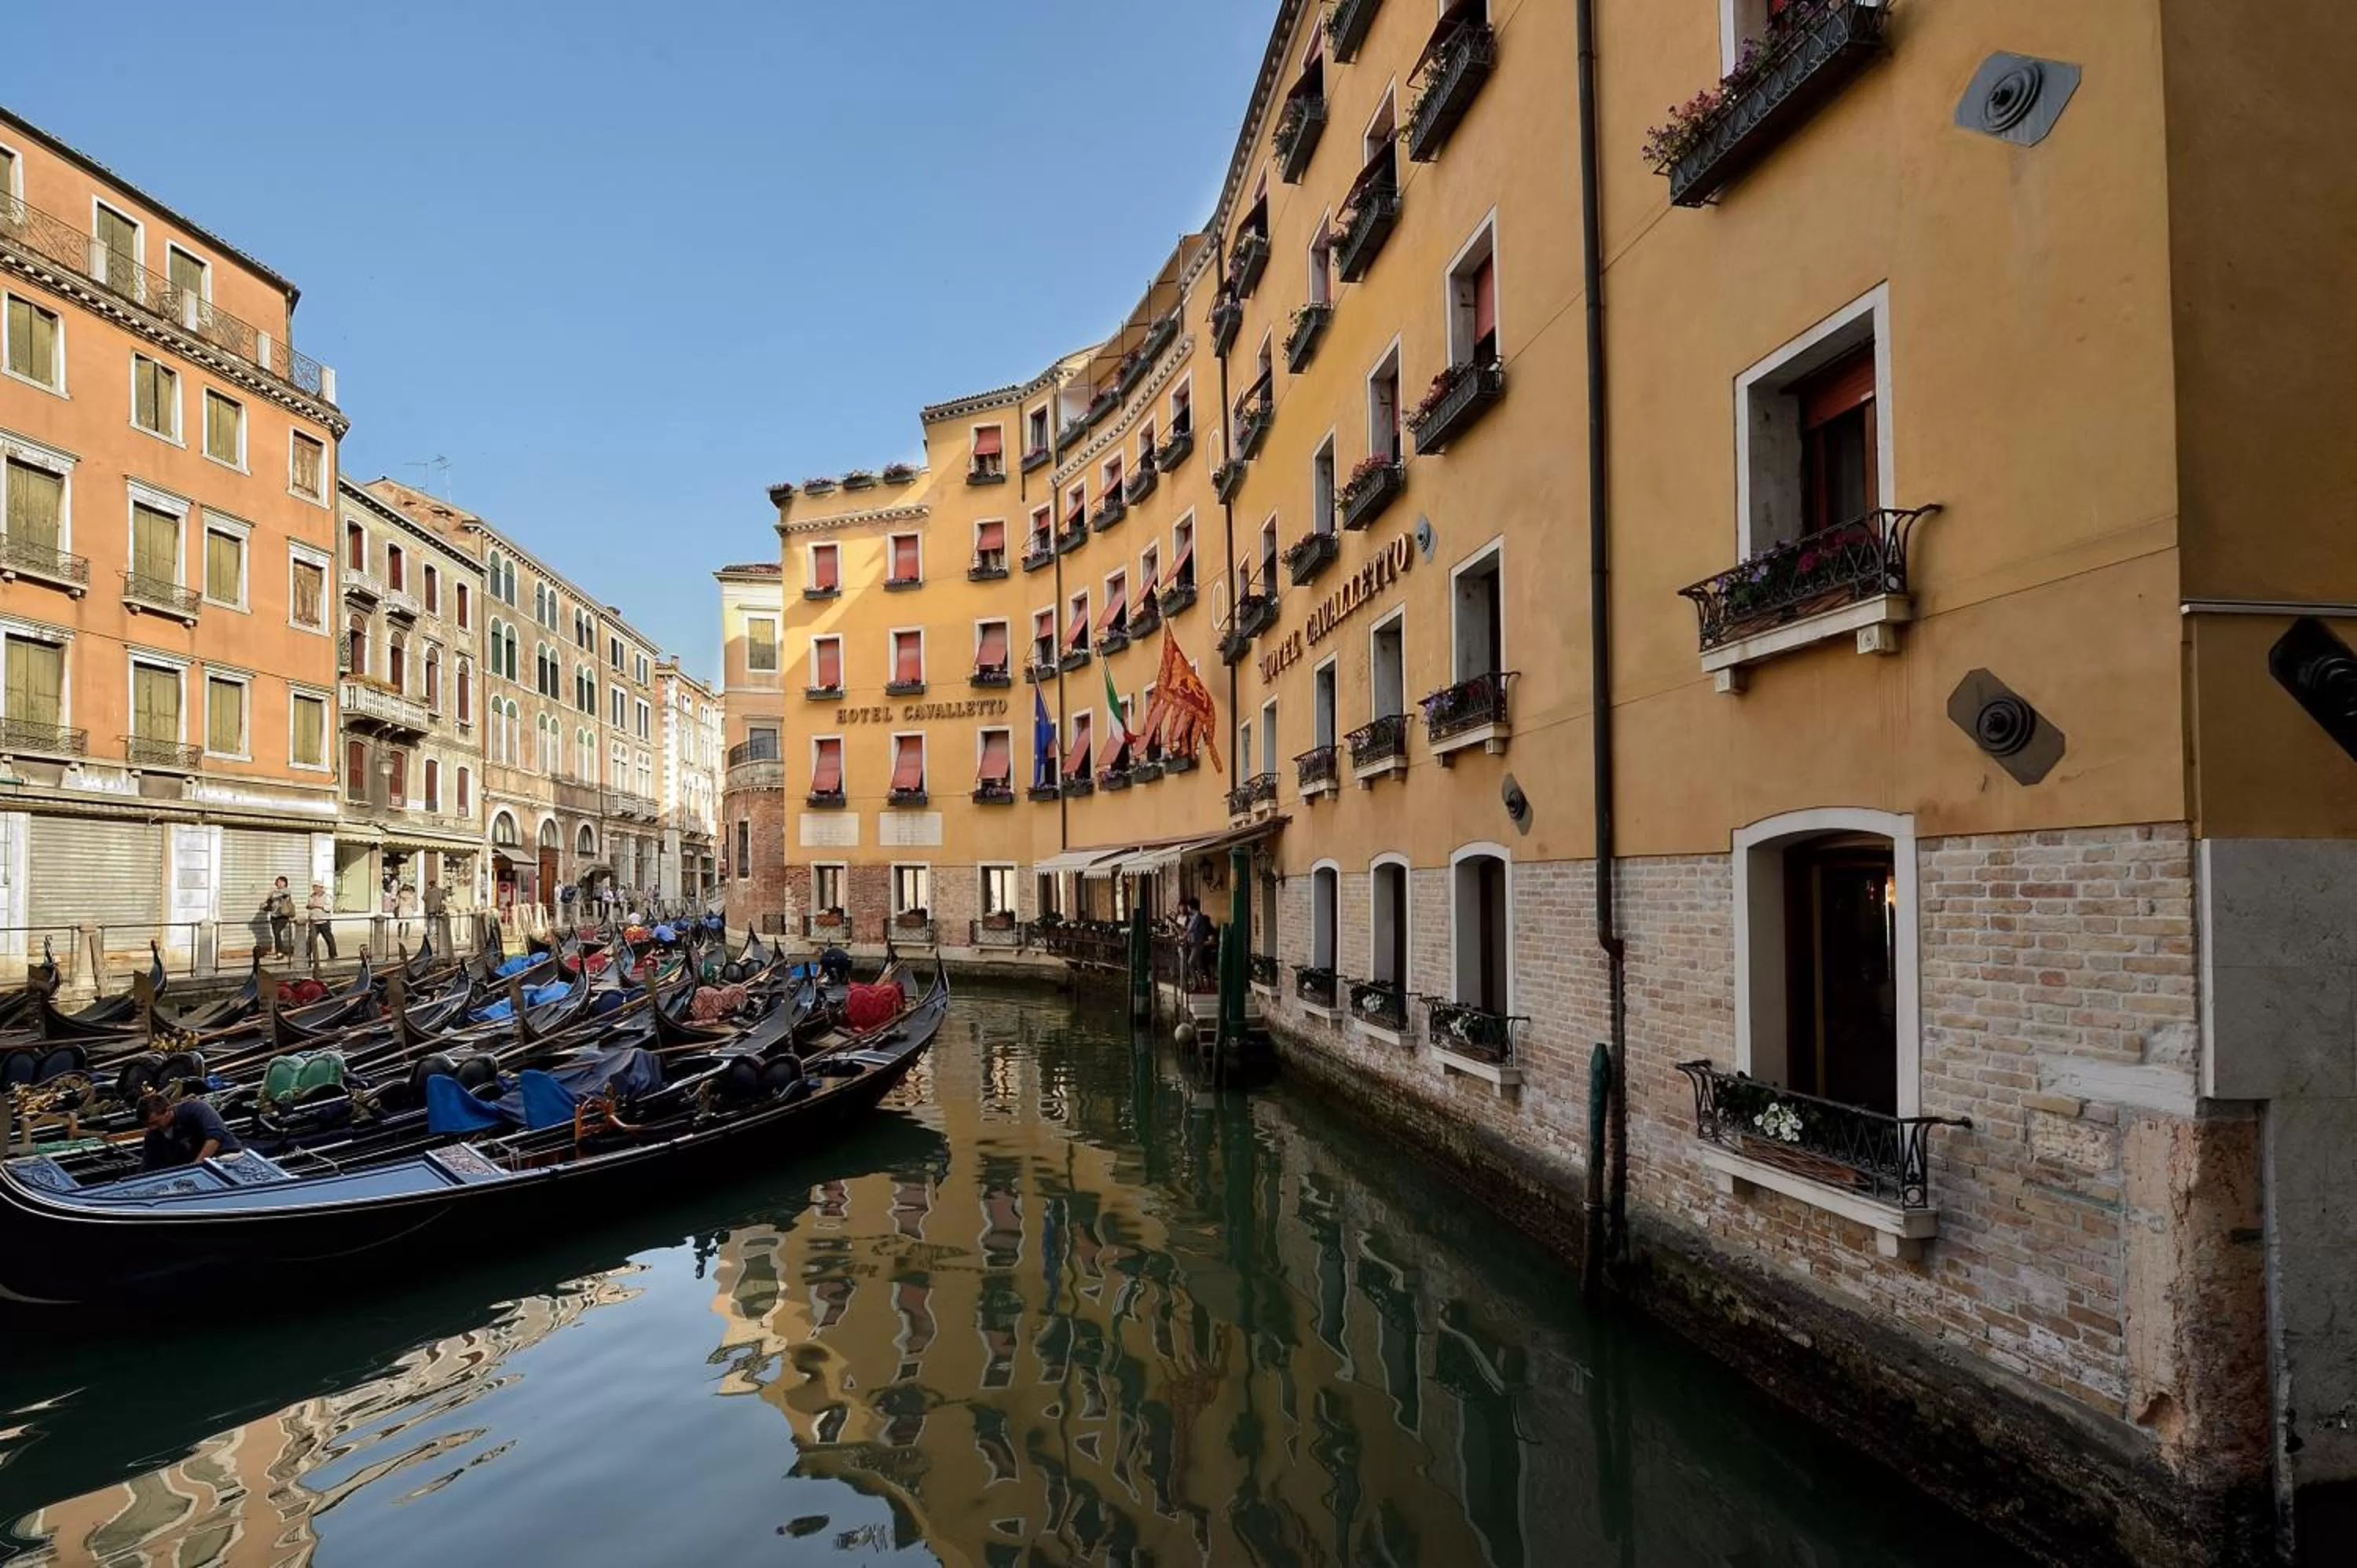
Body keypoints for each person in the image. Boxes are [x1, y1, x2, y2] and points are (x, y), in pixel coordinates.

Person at [137, 1092, 242, 1171]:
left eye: (155, 1122)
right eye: (148, 1125)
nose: (152, 1128)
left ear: (168, 1111)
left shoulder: (196, 1108)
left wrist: (196, 1166)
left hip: (227, 1157)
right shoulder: (152, 1136)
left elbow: (215, 1137)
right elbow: (148, 1166)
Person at [1181, 898, 1216, 989]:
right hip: (1193, 943)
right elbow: (1189, 929)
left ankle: (1196, 983)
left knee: (1190, 963)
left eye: (1188, 907)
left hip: (1197, 943)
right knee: (1198, 965)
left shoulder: (1197, 916)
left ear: (1190, 907)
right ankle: (1199, 985)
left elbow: (1190, 929)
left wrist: (1184, 936)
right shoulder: (1193, 917)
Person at [262, 877, 296, 958]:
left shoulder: (286, 890)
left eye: (282, 882)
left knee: (277, 932)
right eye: (278, 882)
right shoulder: (273, 891)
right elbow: (268, 899)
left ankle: (280, 952)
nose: (280, 883)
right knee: (276, 934)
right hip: (274, 915)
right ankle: (279, 952)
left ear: (285, 883)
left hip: (283, 915)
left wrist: (273, 893)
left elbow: (284, 894)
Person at [306, 881, 338, 960]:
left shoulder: (327, 897)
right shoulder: (312, 897)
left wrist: (319, 906)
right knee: (311, 939)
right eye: (314, 887)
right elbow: (308, 906)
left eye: (317, 887)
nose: (315, 889)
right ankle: (306, 954)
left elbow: (329, 908)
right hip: (314, 920)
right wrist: (310, 906)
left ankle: (333, 954)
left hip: (324, 921)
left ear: (321, 888)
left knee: (328, 938)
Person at [424, 879, 452, 956]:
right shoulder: (439, 890)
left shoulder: (428, 891)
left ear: (430, 885)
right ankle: (437, 932)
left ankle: (430, 933)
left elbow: (423, 898)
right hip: (437, 907)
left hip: (430, 908)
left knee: (430, 921)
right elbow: (444, 897)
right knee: (437, 921)